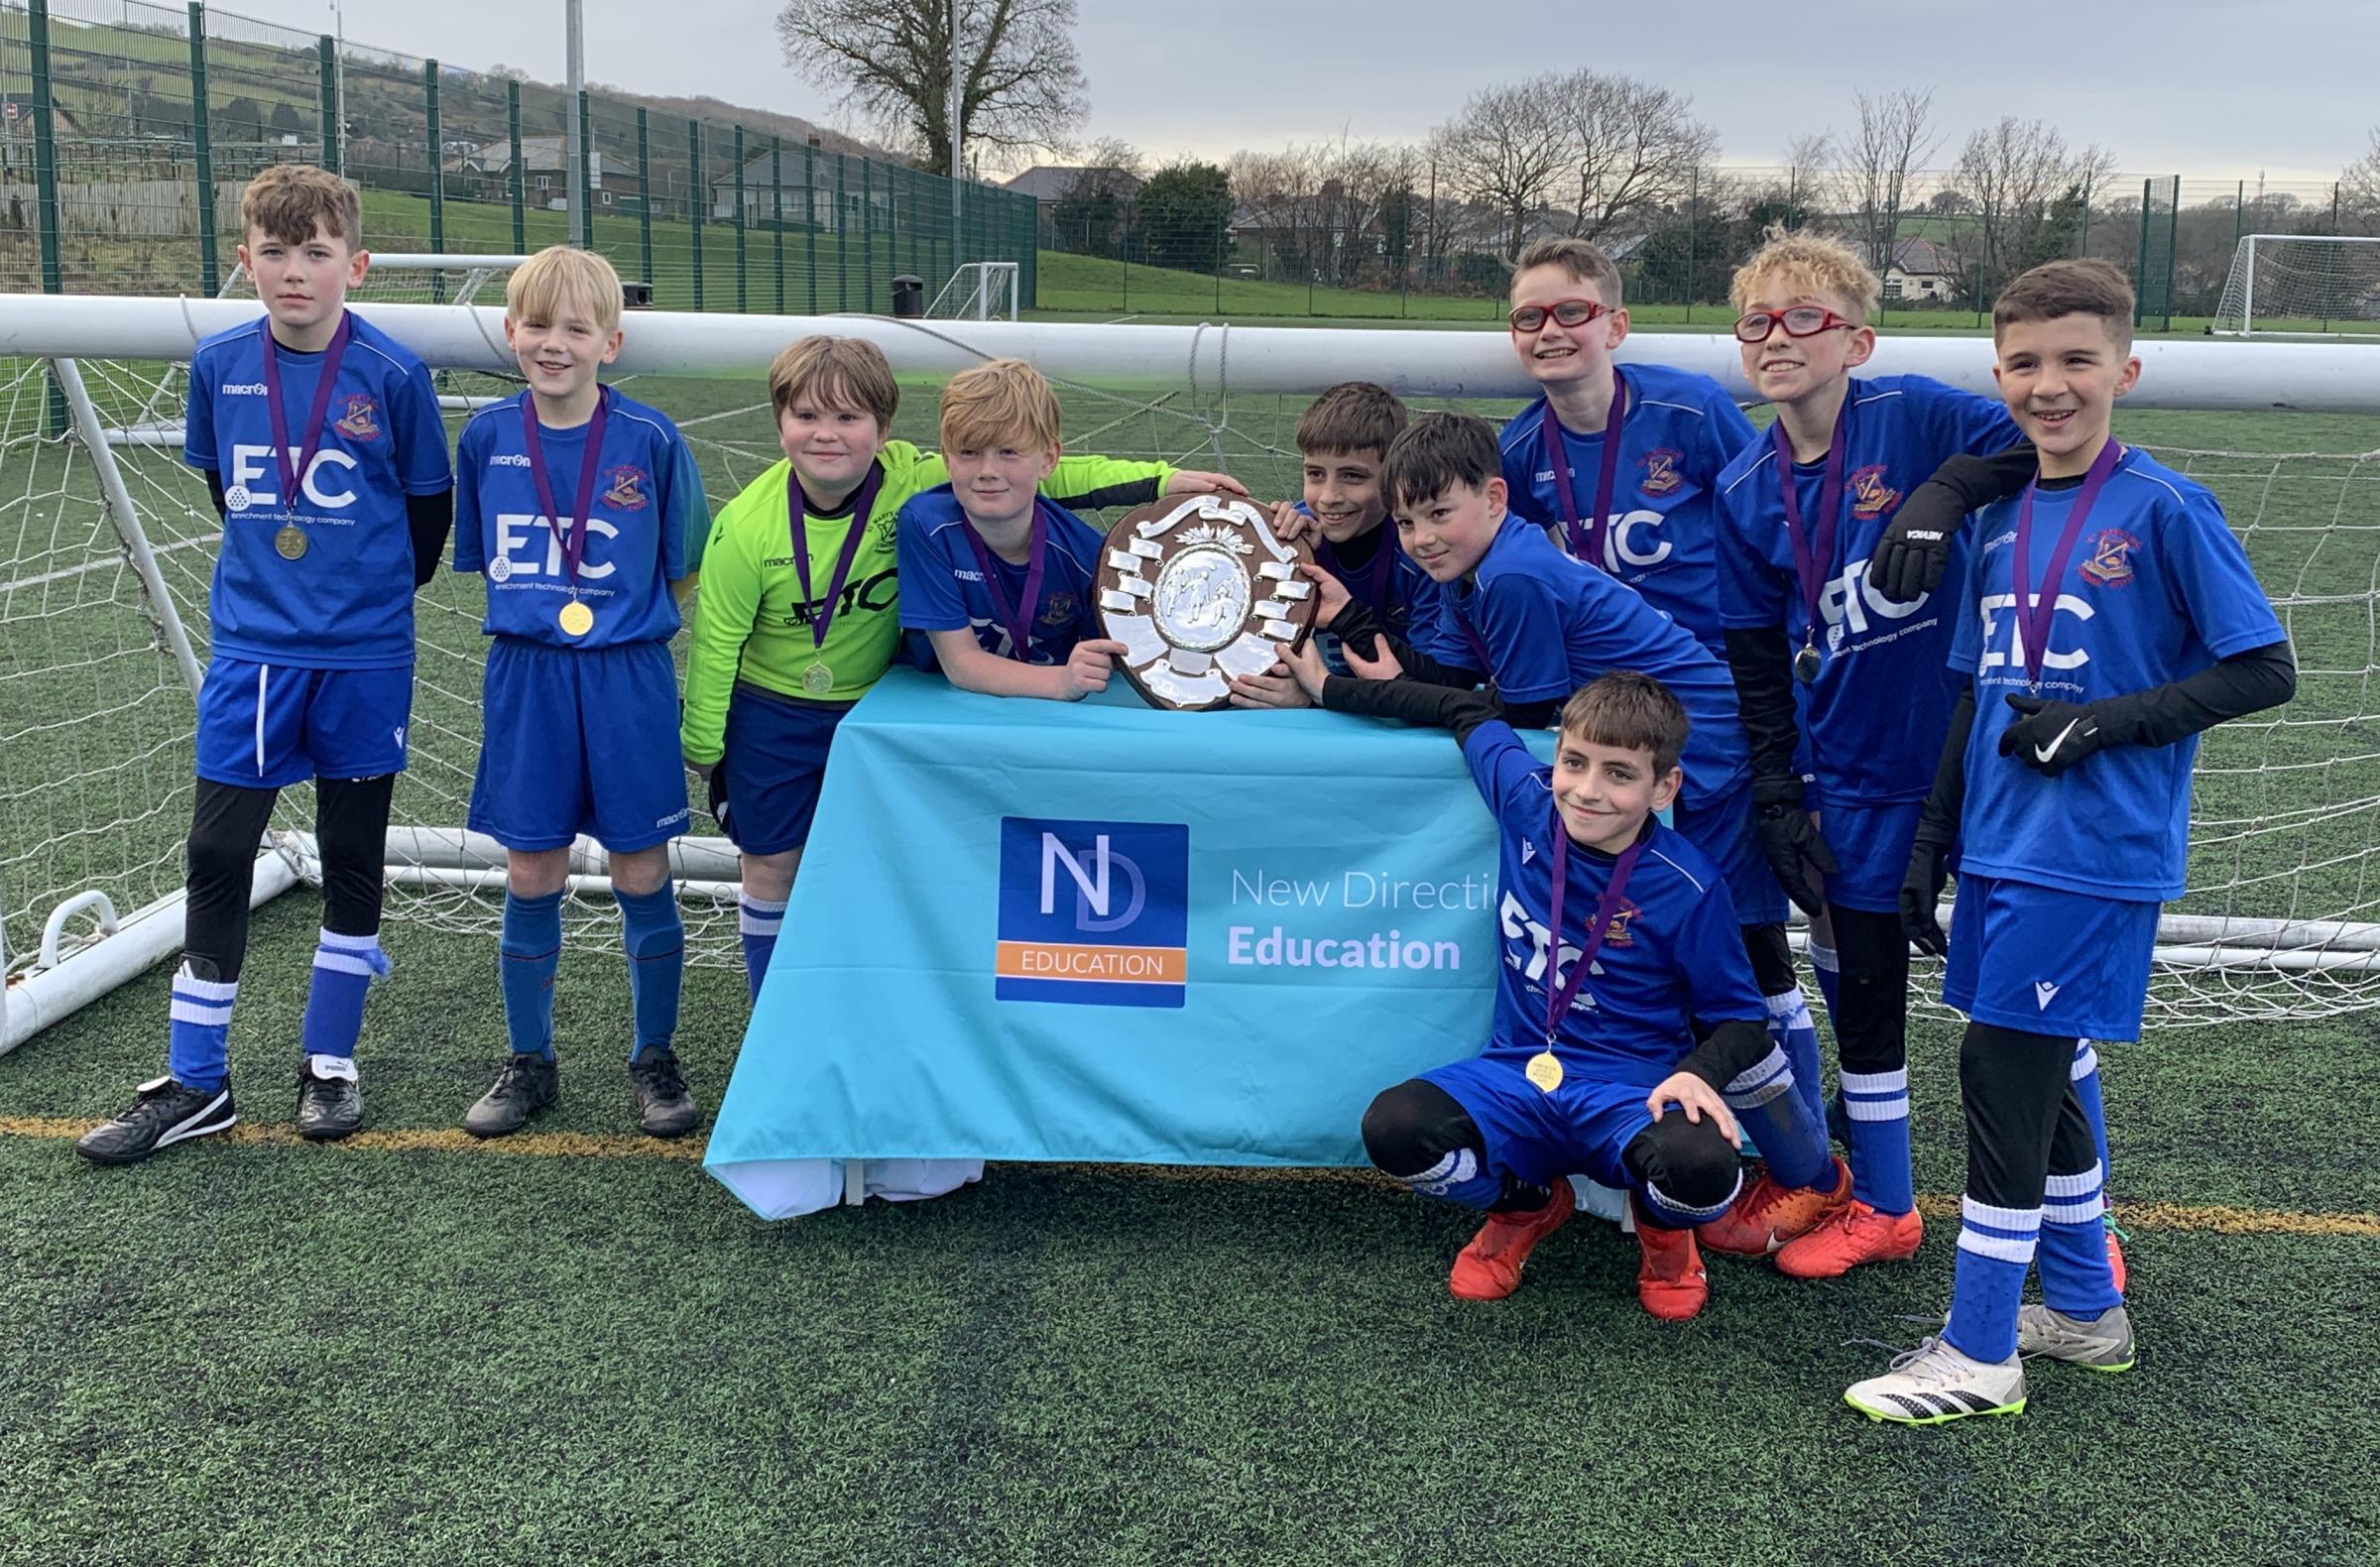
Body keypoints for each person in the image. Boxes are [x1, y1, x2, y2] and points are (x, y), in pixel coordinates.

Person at [1845, 258, 2294, 1423]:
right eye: (2028, 364)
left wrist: (2101, 724)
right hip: (1999, 844)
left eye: (2077, 361)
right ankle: (2089, 1311)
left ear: (2125, 370)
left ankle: (1981, 1351)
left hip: (2092, 848)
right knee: (2048, 1065)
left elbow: (2264, 666)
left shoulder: (2166, 505)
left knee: (2004, 1072)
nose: (2052, 385)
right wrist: (1928, 845)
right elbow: (1968, 693)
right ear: (2000, 373)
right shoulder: (1995, 516)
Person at [1315, 412, 1850, 1232]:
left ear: (1494, 499)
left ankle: (1806, 1169)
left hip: (1708, 758)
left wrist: (1334, 690)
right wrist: (1355, 636)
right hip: (1656, 756)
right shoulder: (1480, 568)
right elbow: (1458, 682)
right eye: (1410, 521)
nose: (1421, 538)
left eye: (1438, 515)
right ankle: (1758, 1154)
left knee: (1750, 959)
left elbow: (1517, 711)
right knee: (1736, 956)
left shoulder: (1513, 576)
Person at [1274, 646, 1836, 1321]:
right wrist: (1325, 686)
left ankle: (1663, 1233)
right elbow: (1461, 708)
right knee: (1395, 1130)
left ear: (1664, 789)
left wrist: (1697, 1074)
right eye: (1574, 762)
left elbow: (1743, 1021)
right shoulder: (1527, 799)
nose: (1587, 790)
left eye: (1619, 774)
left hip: (1631, 1090)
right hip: (1516, 1073)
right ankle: (1526, 1206)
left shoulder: (1688, 885)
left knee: (1705, 1172)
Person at [679, 335, 1244, 1000]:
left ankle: (867, 1001)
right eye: (806, 416)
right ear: (779, 424)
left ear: (884, 431)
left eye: (847, 418)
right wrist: (705, 748)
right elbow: (716, 642)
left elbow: (1049, 472)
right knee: (772, 865)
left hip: (876, 708)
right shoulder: (746, 529)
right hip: (774, 712)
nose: (826, 435)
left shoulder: (916, 481)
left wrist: (1162, 482)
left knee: (879, 865)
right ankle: (770, 1010)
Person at [78, 165, 453, 1164]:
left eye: (317, 253)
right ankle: (199, 1081)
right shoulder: (220, 367)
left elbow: (427, 519)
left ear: (355, 266)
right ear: (244, 261)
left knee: (353, 849)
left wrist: (356, 601)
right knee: (215, 850)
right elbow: (225, 490)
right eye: (275, 253)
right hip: (254, 648)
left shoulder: (393, 374)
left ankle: (329, 1060)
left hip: (366, 652)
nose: (295, 272)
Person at [1707, 227, 2041, 1274]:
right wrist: (1776, 790)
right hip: (1842, 766)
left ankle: (2085, 1225)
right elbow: (1758, 655)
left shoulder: (1919, 413)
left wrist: (1945, 491)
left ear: (1858, 338)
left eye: (1805, 317)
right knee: (1863, 984)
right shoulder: (1743, 485)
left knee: (2025, 995)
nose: (1778, 336)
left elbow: (2045, 443)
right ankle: (1882, 1201)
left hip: (1960, 749)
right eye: (1758, 320)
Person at [448, 245, 711, 1140]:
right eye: (535, 325)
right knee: (532, 869)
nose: (552, 343)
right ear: (510, 331)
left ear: (612, 340)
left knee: (642, 867)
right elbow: (482, 557)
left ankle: (653, 1055)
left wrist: (610, 624)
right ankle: (530, 1060)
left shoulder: (652, 439)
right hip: (525, 675)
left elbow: (683, 569)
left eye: (575, 327)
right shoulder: (485, 436)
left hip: (624, 676)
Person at [1496, 237, 1756, 663]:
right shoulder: (1520, 449)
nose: (1549, 331)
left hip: (1713, 658)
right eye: (1530, 317)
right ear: (1515, 334)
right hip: (1603, 667)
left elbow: (1769, 519)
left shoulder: (1691, 410)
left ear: (1616, 327)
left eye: (1572, 312)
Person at [896, 358, 1126, 701]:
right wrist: (1060, 682)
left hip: (1048, 722)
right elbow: (961, 665)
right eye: (969, 452)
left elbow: (1125, 656)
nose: (988, 470)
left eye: (1008, 452)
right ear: (946, 459)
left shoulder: (1089, 557)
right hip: (940, 711)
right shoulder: (926, 527)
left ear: (1048, 460)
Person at [1233, 381, 1440, 707]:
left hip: (1390, 711)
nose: (1329, 497)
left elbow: (1434, 683)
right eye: (1315, 474)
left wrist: (1316, 696)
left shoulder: (1425, 552)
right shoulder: (1285, 539)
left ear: (1393, 475)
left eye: (1352, 476)